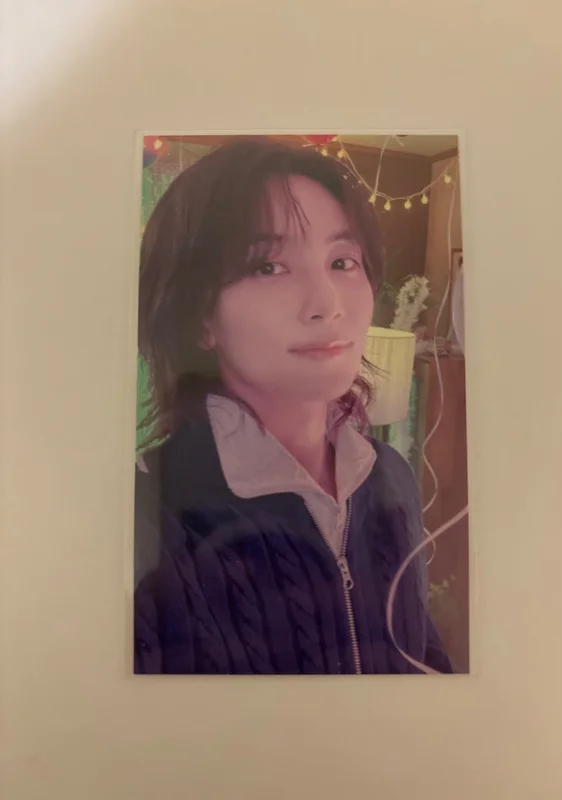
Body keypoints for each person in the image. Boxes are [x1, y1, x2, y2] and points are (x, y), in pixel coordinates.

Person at [134, 136, 452, 675]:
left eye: (343, 261)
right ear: (199, 316)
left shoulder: (390, 476)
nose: (327, 305)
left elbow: (423, 657)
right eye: (268, 267)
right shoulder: (145, 515)